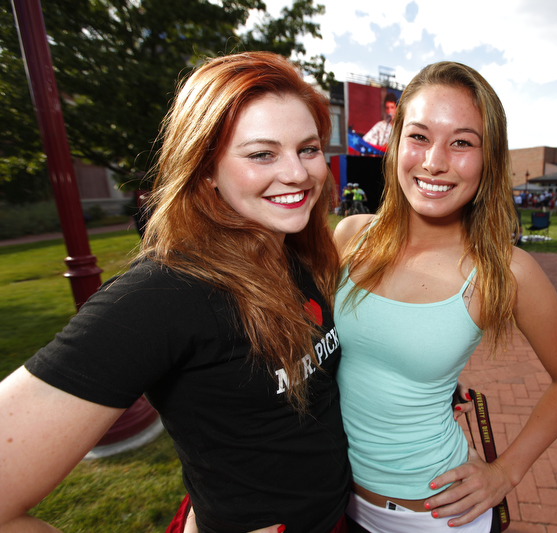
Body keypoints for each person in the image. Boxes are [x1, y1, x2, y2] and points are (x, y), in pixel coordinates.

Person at [0, 52, 351, 533]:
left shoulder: (291, 250)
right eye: (261, 154)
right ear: (206, 168)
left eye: (308, 149)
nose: (296, 173)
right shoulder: (166, 292)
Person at [332, 61, 557, 533]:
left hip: (437, 518)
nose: (434, 161)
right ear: (394, 145)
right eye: (418, 136)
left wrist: (506, 471)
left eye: (462, 142)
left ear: (488, 158)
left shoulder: (506, 270)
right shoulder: (351, 236)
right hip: (337, 505)